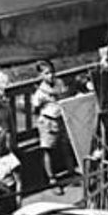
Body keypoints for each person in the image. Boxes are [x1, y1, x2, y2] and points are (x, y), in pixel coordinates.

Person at [31, 59, 73, 194]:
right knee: (48, 149)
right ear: (41, 75)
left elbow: (64, 94)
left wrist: (59, 94)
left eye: (52, 72)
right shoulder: (39, 92)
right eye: (47, 73)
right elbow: (35, 109)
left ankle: (71, 172)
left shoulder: (59, 82)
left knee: (66, 145)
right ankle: (52, 179)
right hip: (48, 121)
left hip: (61, 118)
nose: (51, 76)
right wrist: (42, 101)